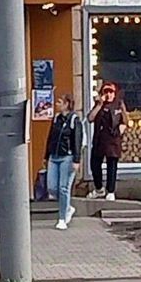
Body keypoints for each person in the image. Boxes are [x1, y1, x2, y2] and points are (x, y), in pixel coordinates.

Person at [43, 94, 84, 230]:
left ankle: (62, 218)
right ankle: (67, 207)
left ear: (66, 104)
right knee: (52, 188)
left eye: (60, 102)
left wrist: (76, 159)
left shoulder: (74, 120)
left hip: (67, 156)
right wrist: (46, 155)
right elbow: (50, 137)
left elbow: (77, 140)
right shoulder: (56, 119)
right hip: (54, 156)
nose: (57, 104)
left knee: (63, 187)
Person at [87, 81, 128, 201]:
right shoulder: (99, 105)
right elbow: (90, 118)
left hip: (112, 139)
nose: (109, 95)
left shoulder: (118, 104)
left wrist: (121, 127)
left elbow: (125, 120)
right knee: (95, 164)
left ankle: (111, 190)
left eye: (111, 92)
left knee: (112, 165)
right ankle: (99, 188)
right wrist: (99, 105)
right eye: (106, 92)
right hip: (99, 138)